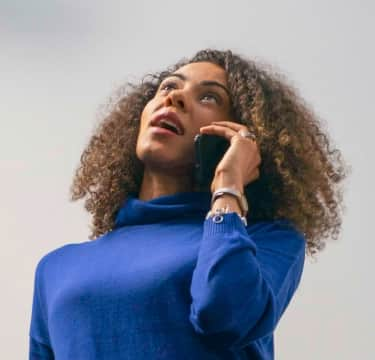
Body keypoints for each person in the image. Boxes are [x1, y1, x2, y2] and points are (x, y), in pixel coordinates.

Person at [29, 49, 348, 359]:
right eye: (168, 86)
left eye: (209, 97)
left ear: (238, 135)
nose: (174, 97)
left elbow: (225, 316)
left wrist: (227, 185)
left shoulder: (267, 240)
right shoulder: (55, 269)